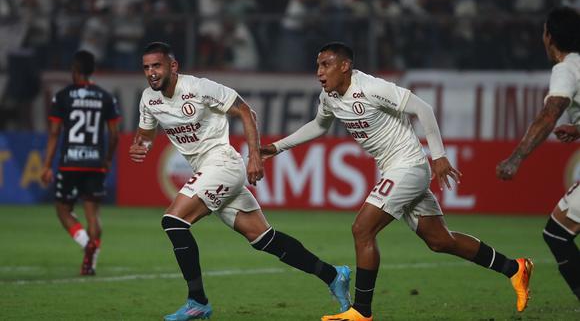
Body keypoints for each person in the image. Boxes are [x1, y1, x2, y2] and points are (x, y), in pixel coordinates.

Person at [260, 42, 533, 321]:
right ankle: (515, 268)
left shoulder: (371, 88)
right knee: (440, 240)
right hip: (395, 169)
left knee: (362, 229)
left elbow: (423, 108)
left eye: (326, 65)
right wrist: (277, 147)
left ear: (345, 66)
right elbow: (319, 125)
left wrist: (438, 156)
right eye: (317, 65)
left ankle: (362, 313)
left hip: (409, 167)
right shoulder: (329, 96)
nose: (319, 72)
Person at [128, 41, 351, 321]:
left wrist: (254, 156)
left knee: (173, 221)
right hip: (206, 169)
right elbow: (145, 135)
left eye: (156, 65)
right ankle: (333, 275)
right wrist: (142, 146)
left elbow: (246, 111)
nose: (151, 72)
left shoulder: (200, 88)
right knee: (264, 239)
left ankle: (197, 301)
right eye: (146, 67)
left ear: (173, 66)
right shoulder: (149, 99)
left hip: (222, 163)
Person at [497, 6, 580, 301]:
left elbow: (549, 113)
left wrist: (516, 157)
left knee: (557, 234)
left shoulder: (566, 68)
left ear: (549, 37)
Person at [41, 50, 121, 275]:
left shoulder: (63, 96)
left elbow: (55, 133)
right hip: (95, 163)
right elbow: (114, 135)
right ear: (92, 71)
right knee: (93, 214)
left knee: (63, 210)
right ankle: (90, 263)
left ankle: (87, 244)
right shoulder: (106, 97)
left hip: (70, 163)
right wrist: (107, 160)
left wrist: (47, 165)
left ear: (74, 71)